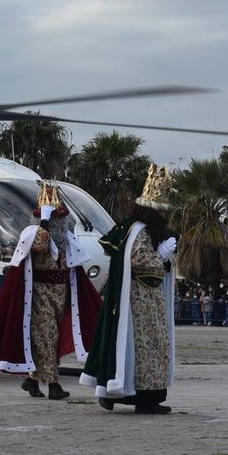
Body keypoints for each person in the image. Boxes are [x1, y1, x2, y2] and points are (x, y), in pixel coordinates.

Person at [0, 181, 101, 399]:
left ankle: (32, 380)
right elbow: (39, 246)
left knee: (48, 339)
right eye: (55, 218)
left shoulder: (66, 239)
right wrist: (44, 222)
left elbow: (76, 263)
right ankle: (53, 385)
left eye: (59, 217)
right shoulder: (32, 232)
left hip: (61, 295)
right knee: (47, 336)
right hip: (40, 296)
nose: (59, 222)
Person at [81, 163, 178, 414]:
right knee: (145, 347)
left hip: (145, 299)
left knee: (144, 347)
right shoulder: (140, 231)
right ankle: (145, 399)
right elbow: (140, 259)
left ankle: (119, 395)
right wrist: (163, 256)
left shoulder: (132, 228)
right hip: (140, 300)